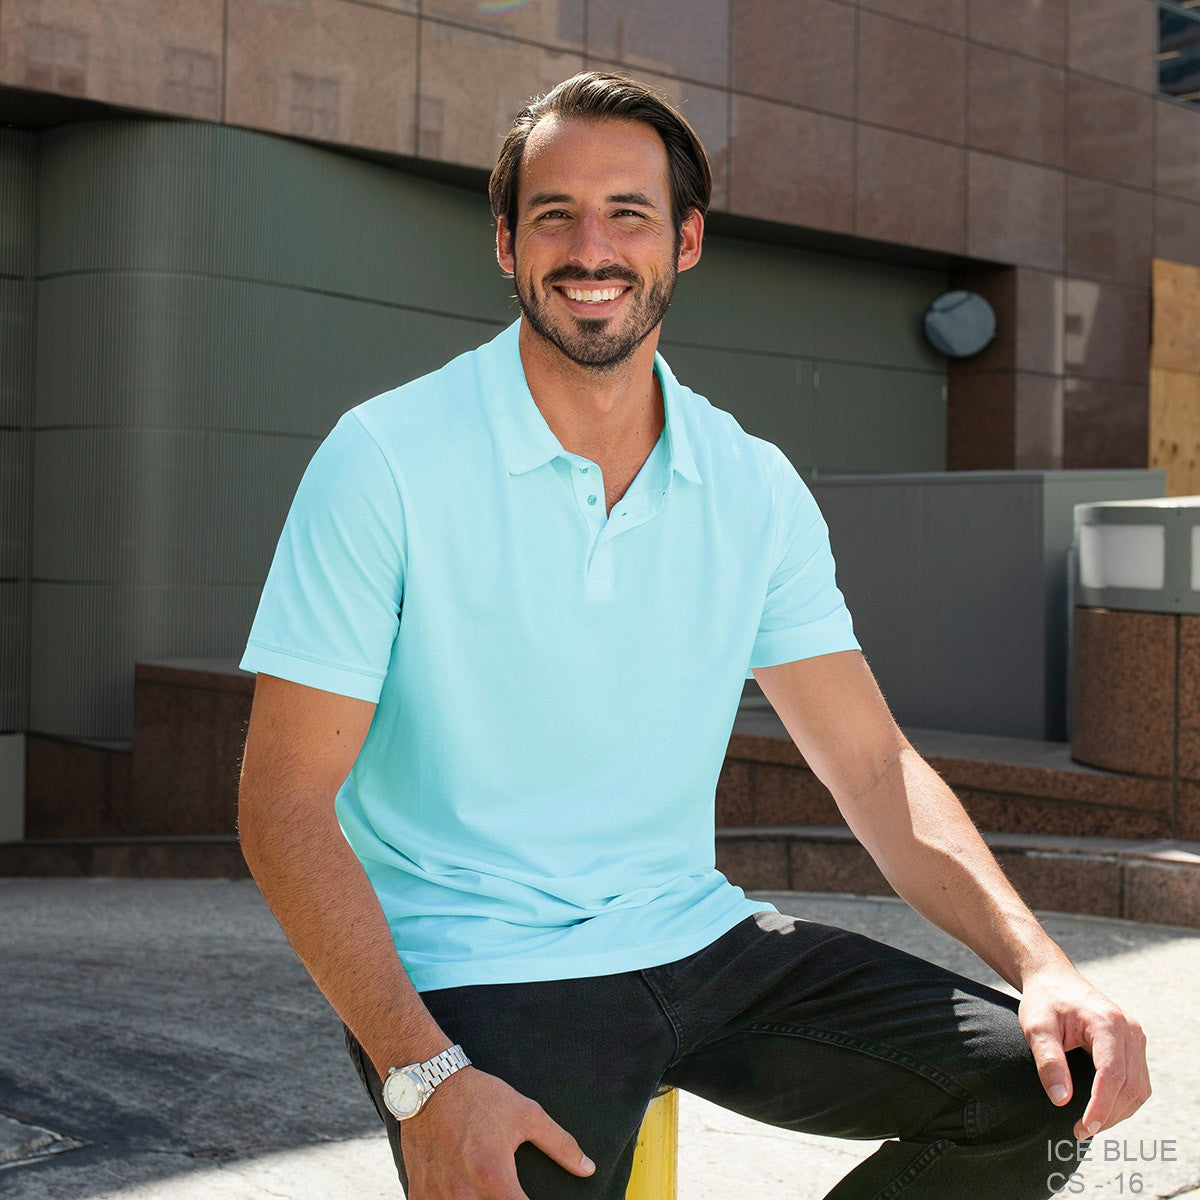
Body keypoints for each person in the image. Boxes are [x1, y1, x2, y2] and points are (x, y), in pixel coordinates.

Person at [237, 72, 1150, 1200]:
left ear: (687, 240)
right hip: (476, 966)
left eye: (629, 213)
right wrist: (422, 1074)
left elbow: (873, 767)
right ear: (507, 244)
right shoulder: (385, 460)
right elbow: (283, 804)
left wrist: (1043, 964)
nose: (592, 248)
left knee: (1046, 1083)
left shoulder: (751, 484)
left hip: (696, 939)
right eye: (554, 214)